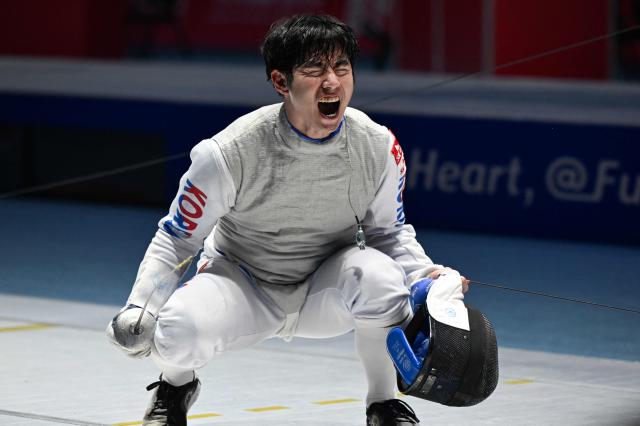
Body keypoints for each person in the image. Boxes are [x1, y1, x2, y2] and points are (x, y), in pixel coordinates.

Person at [107, 14, 469, 426]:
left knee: (383, 280)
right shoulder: (227, 152)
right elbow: (177, 238)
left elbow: (389, 232)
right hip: (241, 285)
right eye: (314, 70)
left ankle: (383, 405)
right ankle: (174, 388)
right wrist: (141, 305)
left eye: (341, 68)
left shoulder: (378, 146)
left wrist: (429, 277)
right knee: (176, 331)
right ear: (281, 82)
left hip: (324, 289)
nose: (331, 82)